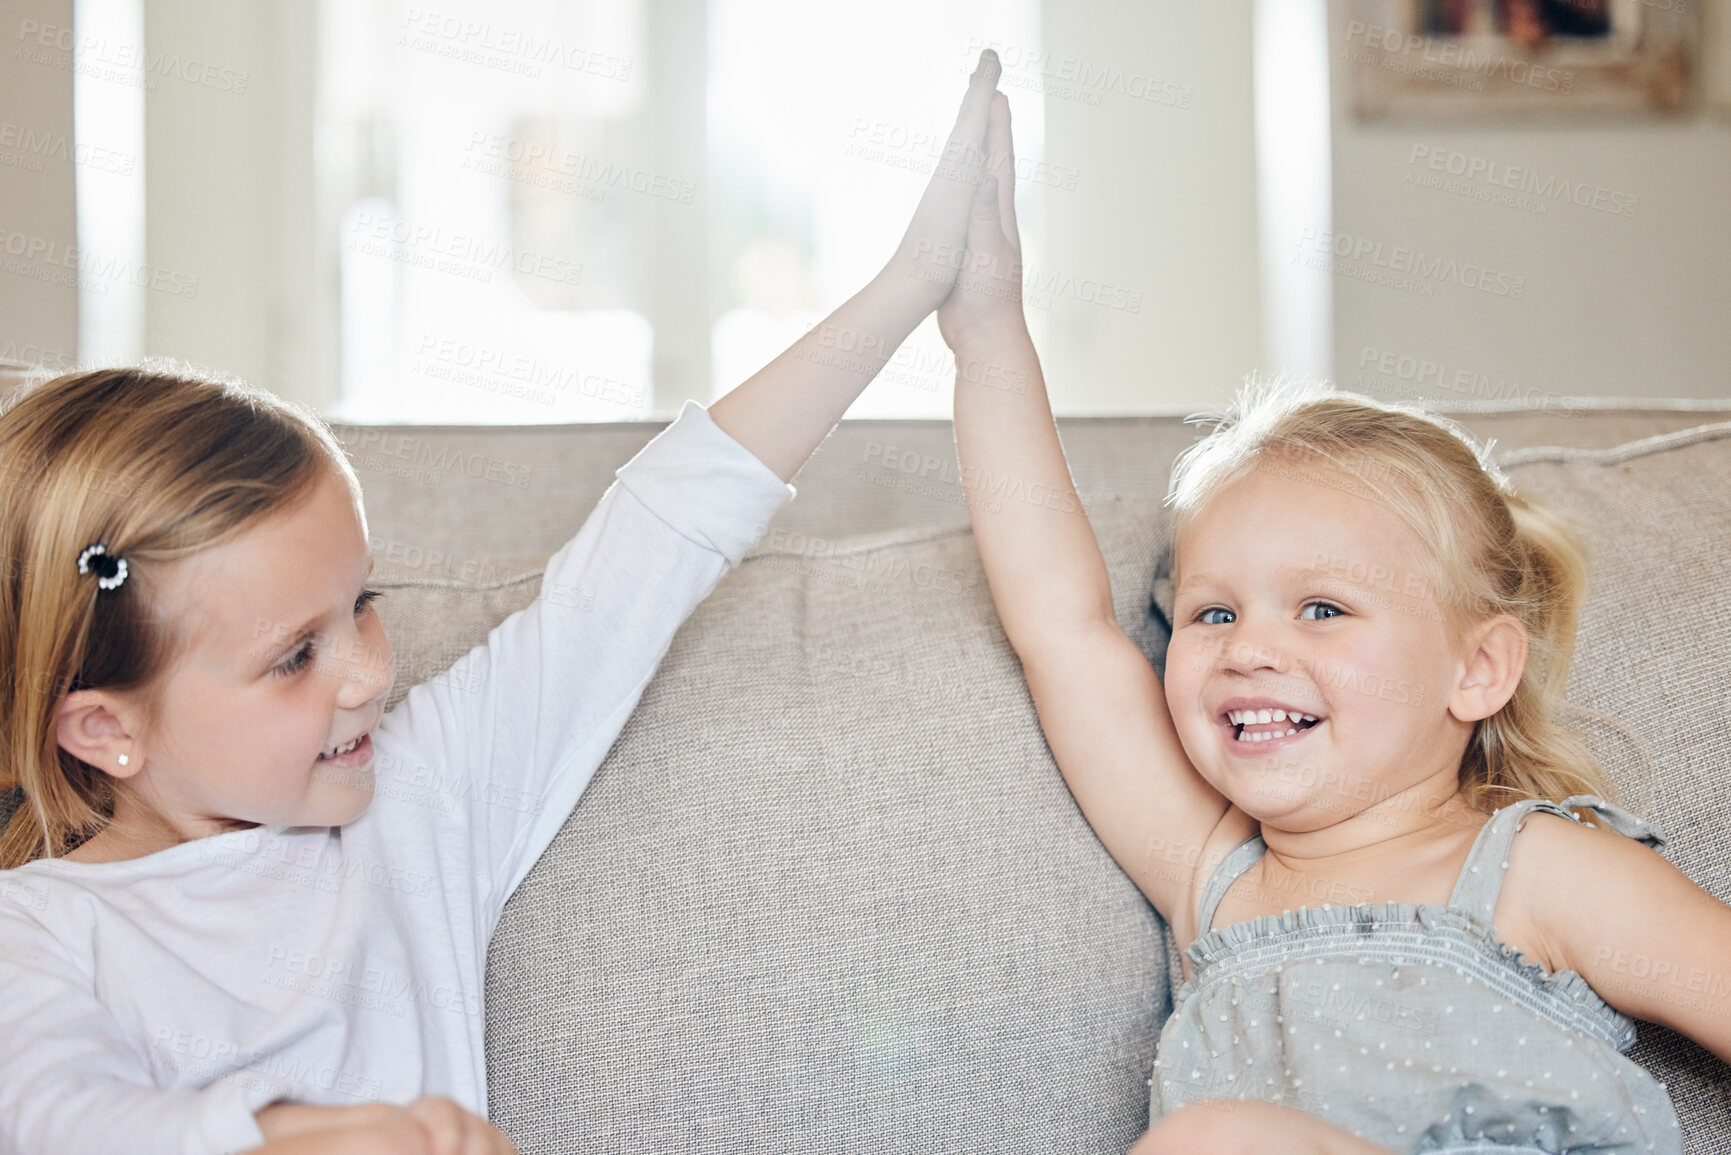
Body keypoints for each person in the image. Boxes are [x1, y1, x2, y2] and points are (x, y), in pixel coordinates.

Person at [0, 51, 1008, 1155]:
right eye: (295, 657)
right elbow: (57, 1118)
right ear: (106, 728)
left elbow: (650, 547)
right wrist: (310, 1137)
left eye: (364, 605)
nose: (371, 672)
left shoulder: (419, 798)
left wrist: (908, 286)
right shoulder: (42, 932)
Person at [935, 88, 1731, 1152]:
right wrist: (985, 328)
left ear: (1479, 669)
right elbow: (1064, 628)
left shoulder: (1541, 872)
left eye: (1322, 608)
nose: (1248, 649)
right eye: (1212, 613)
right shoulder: (1217, 886)